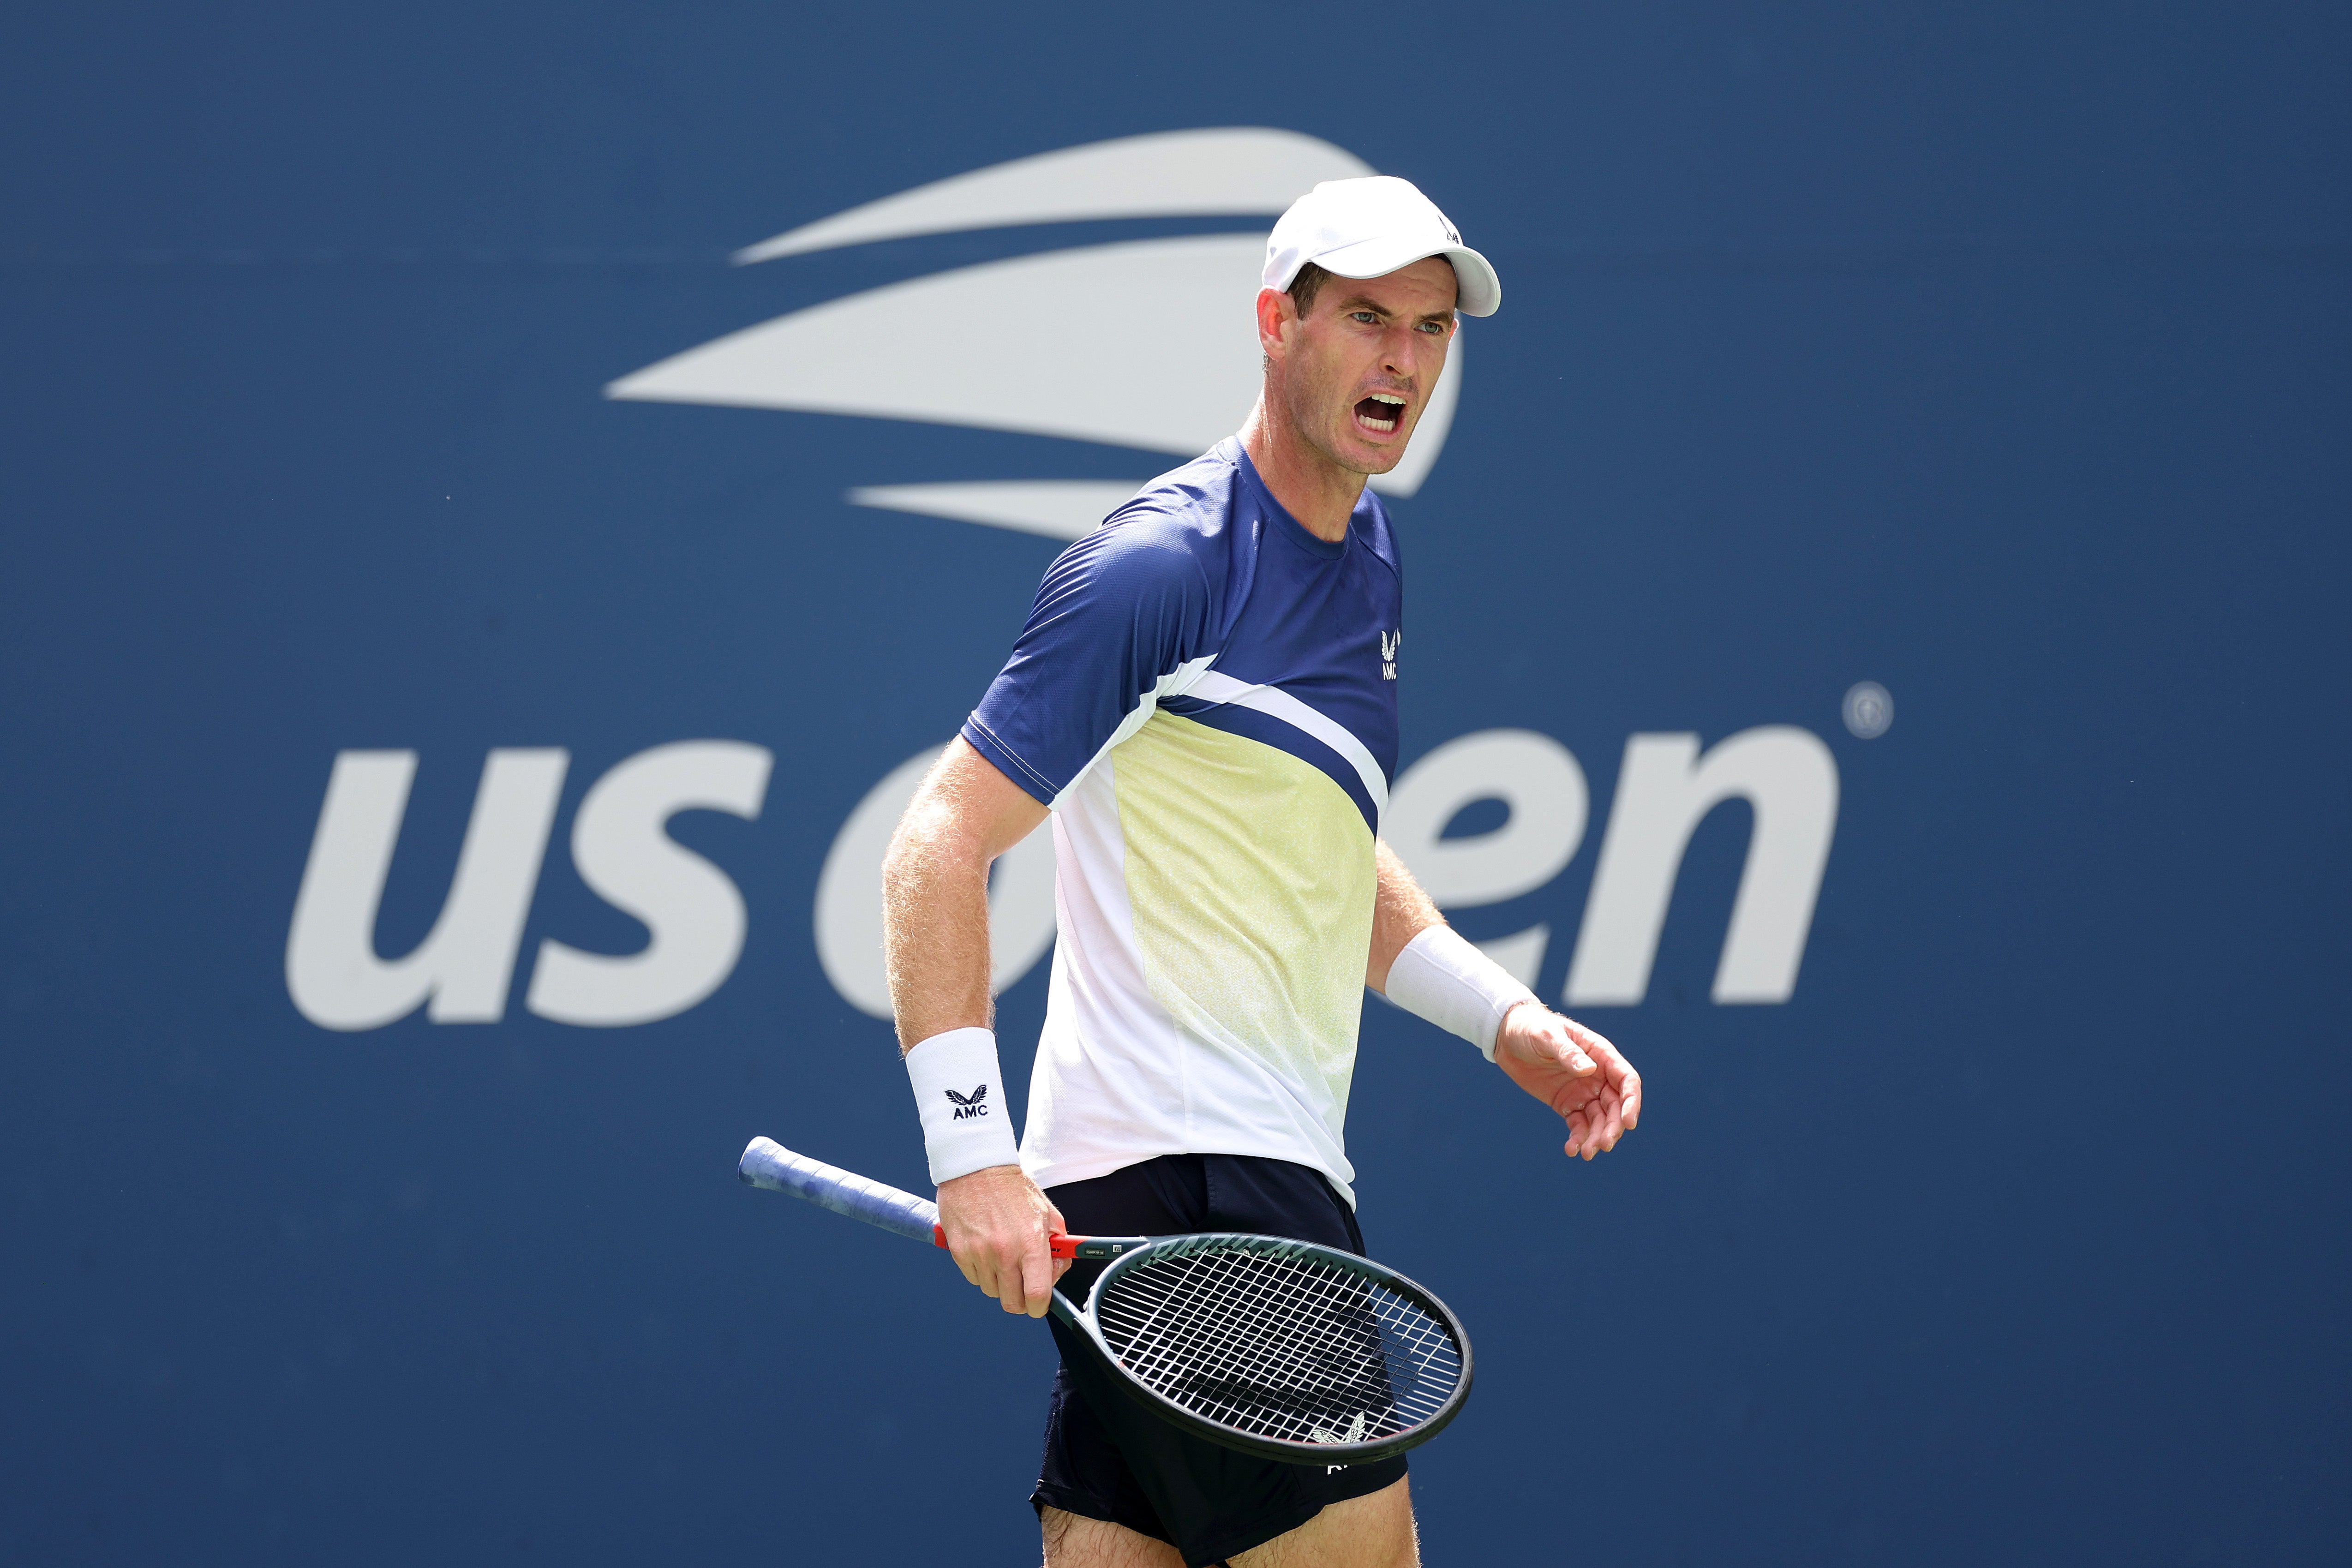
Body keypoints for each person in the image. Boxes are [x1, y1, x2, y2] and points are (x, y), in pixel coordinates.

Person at [880, 176, 1641, 1568]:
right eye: (1364, 317)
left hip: (1174, 1202)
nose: (1402, 358)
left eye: (1428, 327)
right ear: (1272, 326)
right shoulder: (1163, 565)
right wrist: (968, 1153)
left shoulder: (1367, 561)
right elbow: (936, 843)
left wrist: (1499, 1021)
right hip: (1212, 1190)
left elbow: (1317, 857)